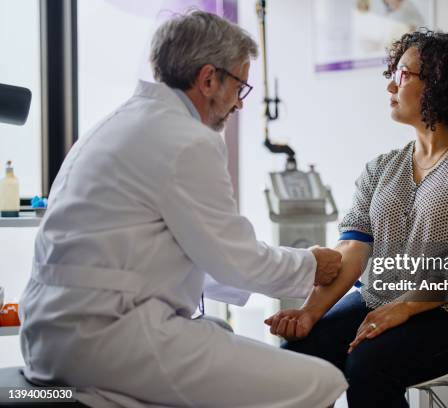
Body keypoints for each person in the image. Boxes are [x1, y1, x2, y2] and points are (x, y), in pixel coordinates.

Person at [19, 11, 348, 408]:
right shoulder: (187, 140)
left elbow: (189, 257)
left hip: (52, 333)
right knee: (322, 381)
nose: (239, 106)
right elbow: (237, 261)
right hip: (105, 338)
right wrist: (313, 265)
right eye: (240, 87)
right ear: (209, 79)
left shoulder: (118, 123)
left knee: (215, 332)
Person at [265, 30, 448, 408]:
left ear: (439, 84)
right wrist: (309, 312)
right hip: (379, 298)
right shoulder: (381, 168)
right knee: (299, 351)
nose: (390, 85)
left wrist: (403, 307)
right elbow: (352, 249)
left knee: (369, 363)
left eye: (402, 74)